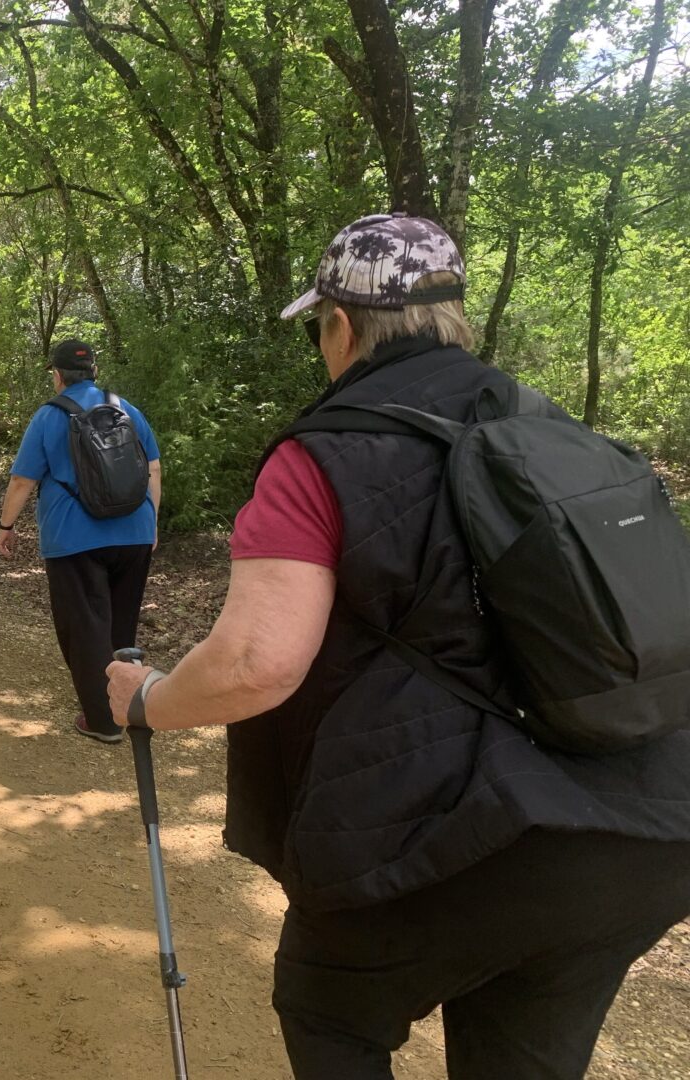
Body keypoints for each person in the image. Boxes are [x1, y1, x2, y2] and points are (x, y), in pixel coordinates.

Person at [104, 213, 690, 1079]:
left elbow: (257, 663)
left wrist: (149, 700)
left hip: (446, 840)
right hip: (639, 824)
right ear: (455, 317)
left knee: (331, 1014)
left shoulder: (322, 455)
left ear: (341, 326)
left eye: (319, 328)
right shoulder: (558, 429)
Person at [0, 338, 162, 744]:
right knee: (121, 623)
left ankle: (104, 721)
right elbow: (154, 468)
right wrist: (152, 523)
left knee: (86, 627)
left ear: (57, 375)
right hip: (135, 532)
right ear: (95, 372)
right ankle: (127, 703)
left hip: (74, 537)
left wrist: (6, 526)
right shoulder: (126, 409)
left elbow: (22, 480)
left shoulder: (49, 416)